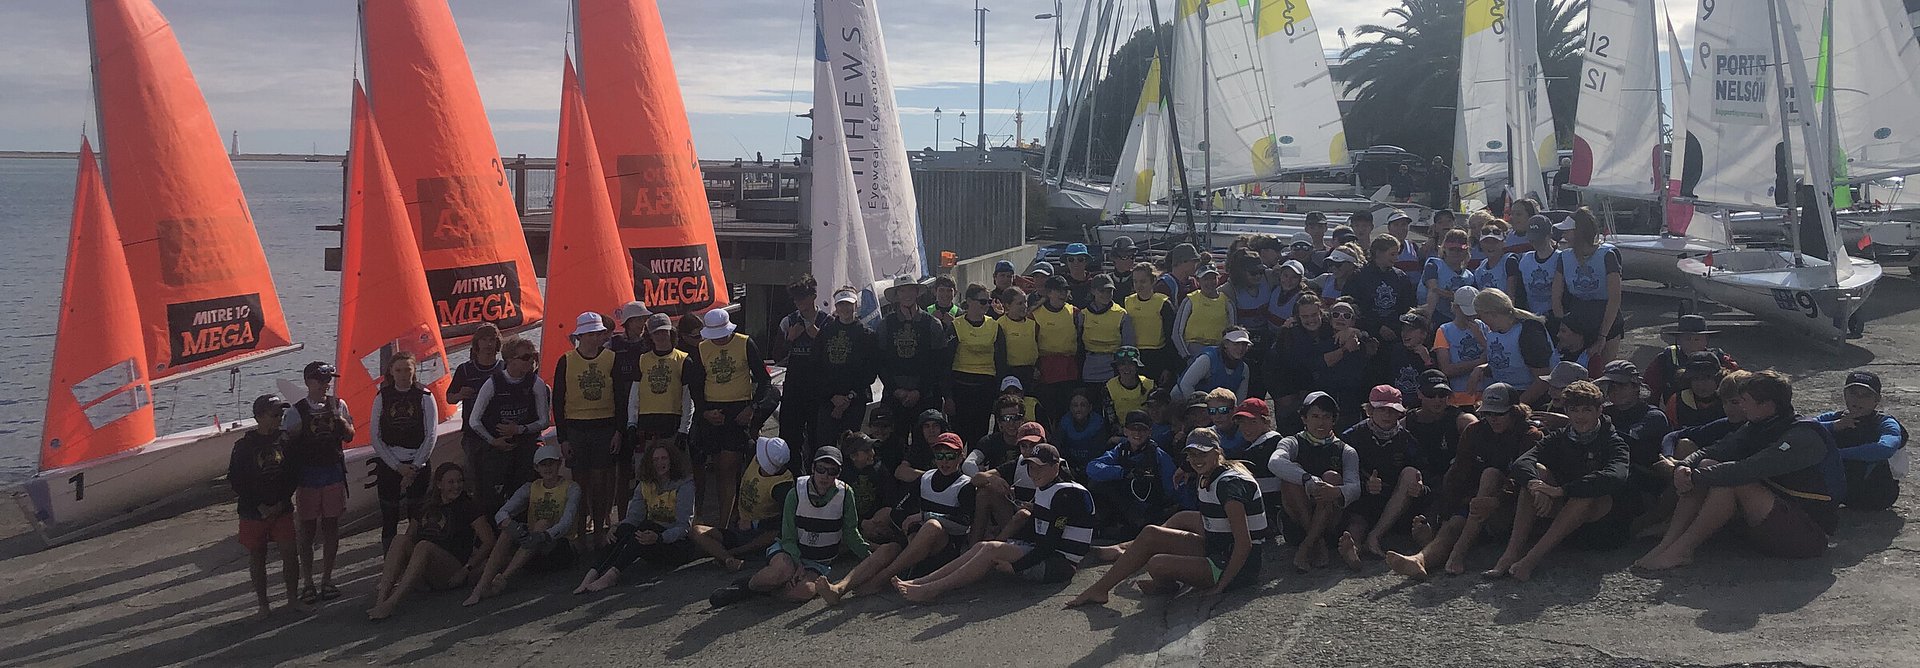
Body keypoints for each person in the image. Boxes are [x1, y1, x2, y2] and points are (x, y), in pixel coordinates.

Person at [1637, 371, 1841, 569]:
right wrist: (1684, 466)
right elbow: (1717, 449)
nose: (1741, 406)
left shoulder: (1803, 436)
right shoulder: (1757, 425)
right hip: (1769, 513)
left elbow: (1749, 469)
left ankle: (1682, 549)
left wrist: (1691, 477)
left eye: (1745, 400)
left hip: (1808, 532)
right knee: (1708, 463)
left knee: (1731, 480)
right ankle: (1668, 543)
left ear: (1767, 405)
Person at [1066, 430, 1266, 607]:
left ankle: (1167, 580)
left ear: (1217, 452)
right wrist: (1185, 468)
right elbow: (1196, 464)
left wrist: (1221, 586)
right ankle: (1101, 589)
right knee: (1151, 533)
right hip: (1218, 547)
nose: (1196, 459)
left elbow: (1244, 543)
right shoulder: (1209, 471)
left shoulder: (1228, 485)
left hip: (1237, 566)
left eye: (1203, 453)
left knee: (1157, 564)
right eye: (1192, 454)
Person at [897, 444, 1095, 603]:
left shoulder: (1067, 493)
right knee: (982, 546)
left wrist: (1016, 566)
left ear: (1056, 466)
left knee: (991, 549)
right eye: (1031, 467)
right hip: (1048, 554)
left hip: (1060, 564)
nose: (1034, 472)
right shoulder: (1047, 487)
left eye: (1040, 467)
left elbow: (1049, 544)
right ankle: (922, 581)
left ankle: (931, 590)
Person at [1384, 383, 1543, 579]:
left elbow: (1523, 478)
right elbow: (1458, 474)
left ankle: (1459, 551)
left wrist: (1497, 500)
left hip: (1511, 508)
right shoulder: (1474, 432)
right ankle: (1420, 559)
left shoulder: (1529, 435)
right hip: (1476, 503)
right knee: (1454, 523)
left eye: (1499, 413)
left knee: (1490, 475)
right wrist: (1446, 512)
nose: (1493, 418)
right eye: (1488, 413)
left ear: (1514, 411)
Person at [1485, 381, 1632, 581]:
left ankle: (1530, 561)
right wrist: (1536, 487)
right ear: (1566, 412)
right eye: (1574, 410)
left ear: (1599, 411)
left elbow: (1617, 476)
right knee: (1536, 473)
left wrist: (1563, 490)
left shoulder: (1613, 442)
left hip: (1602, 526)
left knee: (1586, 493)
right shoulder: (1559, 437)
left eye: (1587, 410)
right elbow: (1522, 462)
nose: (1580, 416)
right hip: (1562, 520)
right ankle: (1510, 554)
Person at [821, 434, 975, 603]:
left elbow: (964, 524)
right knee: (888, 548)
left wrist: (925, 516)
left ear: (960, 457)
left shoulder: (965, 485)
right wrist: (911, 532)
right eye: (939, 456)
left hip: (944, 550)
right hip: (915, 541)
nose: (944, 461)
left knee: (932, 526)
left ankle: (880, 580)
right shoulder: (925, 478)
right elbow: (898, 510)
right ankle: (839, 588)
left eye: (950, 456)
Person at [367, 463, 493, 620]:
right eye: (451, 482)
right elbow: (409, 536)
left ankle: (392, 603)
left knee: (424, 546)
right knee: (400, 539)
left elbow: (488, 541)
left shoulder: (468, 506)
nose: (456, 486)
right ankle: (381, 600)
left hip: (450, 568)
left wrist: (466, 569)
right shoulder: (425, 505)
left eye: (460, 481)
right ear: (439, 484)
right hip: (422, 567)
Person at [748, 446, 871, 602]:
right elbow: (788, 535)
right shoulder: (796, 492)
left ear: (838, 473)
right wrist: (797, 562)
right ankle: (747, 587)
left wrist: (869, 558)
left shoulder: (846, 494)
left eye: (832, 471)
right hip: (789, 550)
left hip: (818, 561)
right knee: (781, 572)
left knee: (805, 591)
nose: (825, 476)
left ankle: (773, 593)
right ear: (813, 468)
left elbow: (850, 533)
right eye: (821, 469)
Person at [465, 443, 582, 605]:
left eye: (551, 463)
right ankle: (480, 587)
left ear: (559, 463)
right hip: (532, 547)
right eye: (543, 464)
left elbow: (566, 522)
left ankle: (502, 579)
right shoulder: (530, 488)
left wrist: (543, 535)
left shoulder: (571, 488)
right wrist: (514, 528)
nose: (548, 468)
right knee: (507, 530)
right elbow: (502, 513)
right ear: (536, 467)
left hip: (560, 548)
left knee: (542, 524)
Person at [687, 308, 773, 522]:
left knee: (728, 466)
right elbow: (696, 385)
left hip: (739, 410)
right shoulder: (702, 348)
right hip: (712, 411)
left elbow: (764, 380)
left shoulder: (745, 343)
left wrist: (752, 408)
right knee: (719, 468)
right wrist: (705, 411)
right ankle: (727, 515)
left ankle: (724, 522)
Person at [578, 441, 698, 593]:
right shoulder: (644, 485)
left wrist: (660, 538)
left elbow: (684, 526)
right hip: (650, 538)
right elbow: (634, 517)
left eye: (664, 458)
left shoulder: (685, 485)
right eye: (655, 460)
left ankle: (612, 575)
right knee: (623, 530)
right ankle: (594, 572)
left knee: (645, 528)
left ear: (672, 460)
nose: (660, 463)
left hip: (676, 542)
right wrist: (617, 527)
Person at [551, 311, 626, 543]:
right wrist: (563, 438)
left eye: (597, 333)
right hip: (576, 429)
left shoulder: (611, 358)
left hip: (605, 426)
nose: (595, 338)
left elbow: (620, 397)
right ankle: (581, 531)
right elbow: (558, 400)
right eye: (590, 334)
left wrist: (619, 431)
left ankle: (600, 528)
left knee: (600, 482)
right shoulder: (566, 361)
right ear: (580, 336)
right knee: (580, 484)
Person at [230, 394, 306, 619]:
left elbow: (293, 473)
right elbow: (236, 480)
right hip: (253, 511)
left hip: (281, 507)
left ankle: (293, 600)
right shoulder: (244, 446)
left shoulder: (285, 441)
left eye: (281, 414)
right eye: (274, 414)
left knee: (290, 552)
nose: (279, 418)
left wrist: (282, 501)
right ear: (259, 417)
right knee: (257, 555)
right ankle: (263, 605)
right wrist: (259, 505)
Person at [284, 361, 354, 605]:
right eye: (321, 379)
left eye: (328, 379)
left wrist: (339, 419)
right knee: (307, 530)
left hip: (332, 473)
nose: (326, 384)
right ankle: (308, 583)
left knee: (331, 527)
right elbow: (286, 444)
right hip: (308, 476)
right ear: (308, 382)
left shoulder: (339, 404)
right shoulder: (296, 411)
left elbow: (350, 435)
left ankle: (327, 579)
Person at [1268, 392, 1361, 572]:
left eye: (1326, 417)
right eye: (1315, 416)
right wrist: (1307, 480)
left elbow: (1355, 487)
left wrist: (1335, 491)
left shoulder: (1346, 450)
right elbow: (1274, 462)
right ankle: (1316, 542)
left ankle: (1307, 546)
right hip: (1297, 520)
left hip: (1331, 522)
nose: (1321, 422)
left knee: (1332, 478)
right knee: (1290, 476)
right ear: (1304, 418)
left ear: (1333, 420)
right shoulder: (1292, 442)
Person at [1340, 386, 1426, 563]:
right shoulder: (1351, 437)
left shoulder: (1407, 440)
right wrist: (1365, 485)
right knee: (1357, 523)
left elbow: (1423, 471)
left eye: (1392, 410)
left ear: (1400, 413)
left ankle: (1375, 537)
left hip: (1395, 503)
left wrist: (1419, 487)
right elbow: (1341, 473)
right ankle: (1352, 549)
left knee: (1411, 473)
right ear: (1370, 410)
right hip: (1361, 501)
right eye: (1382, 409)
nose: (1387, 415)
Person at [469, 337, 552, 513]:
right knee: (493, 495)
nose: (531, 361)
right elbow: (474, 420)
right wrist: (493, 441)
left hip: (525, 444)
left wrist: (520, 429)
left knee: (525, 488)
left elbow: (544, 421)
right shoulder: (493, 383)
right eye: (525, 357)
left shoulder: (536, 383)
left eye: (533, 356)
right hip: (498, 446)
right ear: (510, 360)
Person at [366, 352, 440, 552]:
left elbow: (431, 434)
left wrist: (414, 467)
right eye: (398, 370)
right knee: (389, 517)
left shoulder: (425, 396)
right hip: (390, 463)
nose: (403, 374)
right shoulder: (382, 397)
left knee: (417, 516)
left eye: (407, 369)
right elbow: (375, 435)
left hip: (418, 462)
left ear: (414, 370)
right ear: (391, 371)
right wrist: (398, 467)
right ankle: (390, 558)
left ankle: (415, 557)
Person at [689, 437, 795, 572]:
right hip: (738, 528)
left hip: (759, 534)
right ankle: (729, 558)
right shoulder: (755, 460)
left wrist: (754, 524)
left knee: (774, 534)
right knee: (697, 531)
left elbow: (784, 521)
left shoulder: (783, 487)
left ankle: (733, 553)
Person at [1817, 371, 1907, 511]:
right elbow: (1800, 429)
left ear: (1877, 400)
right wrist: (1834, 426)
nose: (1858, 399)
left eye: (1866, 395)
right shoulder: (1834, 417)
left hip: (1874, 495)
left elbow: (1885, 448)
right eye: (1853, 393)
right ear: (1845, 395)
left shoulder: (1886, 422)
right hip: (1836, 491)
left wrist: (1838, 454)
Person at [1551, 209, 1625, 368]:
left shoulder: (1607, 255)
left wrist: (1602, 336)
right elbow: (1556, 297)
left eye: (1567, 231)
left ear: (1579, 232)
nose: (1563, 235)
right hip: (1577, 319)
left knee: (1605, 369)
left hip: (1606, 317)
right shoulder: (1564, 257)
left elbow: (1614, 299)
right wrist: (1565, 328)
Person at [1087, 410, 1179, 537]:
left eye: (1142, 429)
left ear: (1150, 432)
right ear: (1125, 431)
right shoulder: (1120, 450)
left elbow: (1174, 487)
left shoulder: (1158, 456)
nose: (1137, 433)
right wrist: (1124, 472)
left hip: (1149, 511)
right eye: (1133, 429)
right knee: (1095, 484)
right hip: (1124, 509)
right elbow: (1092, 467)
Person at [775, 277, 830, 457]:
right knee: (789, 438)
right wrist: (790, 339)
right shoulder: (788, 321)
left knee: (817, 438)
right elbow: (777, 357)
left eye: (802, 297)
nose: (798, 302)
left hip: (819, 389)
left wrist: (819, 339)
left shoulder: (827, 321)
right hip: (794, 388)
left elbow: (834, 359)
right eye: (795, 298)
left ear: (813, 296)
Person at [967, 421, 1051, 541]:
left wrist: (1035, 508)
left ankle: (993, 545)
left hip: (1044, 523)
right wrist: (992, 479)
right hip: (1016, 520)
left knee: (1023, 515)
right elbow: (976, 479)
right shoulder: (1018, 463)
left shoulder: (1055, 465)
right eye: (1024, 446)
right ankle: (975, 544)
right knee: (985, 491)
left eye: (1033, 446)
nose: (1028, 451)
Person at [608, 301, 655, 512]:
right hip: (619, 409)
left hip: (644, 410)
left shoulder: (649, 344)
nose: (642, 323)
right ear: (627, 322)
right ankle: (621, 515)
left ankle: (645, 512)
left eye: (644, 319)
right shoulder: (613, 345)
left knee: (646, 467)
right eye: (638, 320)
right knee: (623, 468)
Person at [1473, 288, 1556, 405]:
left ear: (1491, 313)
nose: (1480, 320)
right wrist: (1481, 369)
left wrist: (1516, 407)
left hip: (1533, 400)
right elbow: (1506, 364)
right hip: (1504, 396)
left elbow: (1543, 379)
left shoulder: (1529, 332)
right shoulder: (1494, 333)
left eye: (1480, 315)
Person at [453, 322, 505, 503]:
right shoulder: (464, 369)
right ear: (477, 343)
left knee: (497, 480)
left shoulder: (503, 367)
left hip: (498, 433)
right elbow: (450, 398)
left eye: (492, 340)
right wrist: (460, 394)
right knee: (473, 480)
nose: (488, 344)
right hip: (472, 435)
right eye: (484, 340)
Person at [950, 283, 1006, 445]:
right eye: (982, 302)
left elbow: (1001, 362)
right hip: (961, 388)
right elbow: (946, 362)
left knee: (980, 435)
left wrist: (998, 393)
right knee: (958, 436)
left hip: (985, 389)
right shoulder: (956, 325)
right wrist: (948, 395)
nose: (986, 305)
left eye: (988, 301)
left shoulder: (994, 326)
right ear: (969, 301)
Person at [1644, 314, 1740, 401]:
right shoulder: (1665, 359)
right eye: (1688, 339)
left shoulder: (1721, 358)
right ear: (1679, 340)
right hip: (1677, 410)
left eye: (1697, 339)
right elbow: (1649, 390)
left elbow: (1738, 384)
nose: (1692, 343)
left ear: (1706, 340)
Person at [1347, 234, 1420, 342]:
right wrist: (1377, 327)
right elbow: (1353, 306)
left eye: (1397, 254)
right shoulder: (1358, 276)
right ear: (1378, 253)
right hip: (1365, 335)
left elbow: (1409, 306)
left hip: (1395, 335)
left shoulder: (1400, 277)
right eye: (1392, 254)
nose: (1396, 258)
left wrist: (1397, 327)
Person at [1317, 301, 1378, 427]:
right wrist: (1345, 348)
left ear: (1353, 321)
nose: (1341, 318)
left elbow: (1373, 346)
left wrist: (1357, 333)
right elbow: (1323, 362)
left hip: (1353, 403)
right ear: (1330, 319)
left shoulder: (1362, 340)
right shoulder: (1321, 340)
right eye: (1336, 314)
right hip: (1325, 402)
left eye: (1346, 316)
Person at [1033, 275, 1082, 425]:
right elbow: (1031, 342)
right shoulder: (1036, 314)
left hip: (1069, 368)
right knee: (1050, 411)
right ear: (1049, 293)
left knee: (1067, 410)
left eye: (1065, 290)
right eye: (1059, 290)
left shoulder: (1074, 312)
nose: (1063, 294)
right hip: (1047, 369)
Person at [1432, 287, 1490, 405]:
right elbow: (1446, 369)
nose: (1471, 316)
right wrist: (1478, 363)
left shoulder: (1484, 326)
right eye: (1467, 312)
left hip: (1485, 392)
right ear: (1455, 307)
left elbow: (1495, 355)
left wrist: (1482, 339)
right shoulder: (1444, 330)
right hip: (1459, 395)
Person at [1124, 263, 1179, 386]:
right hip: (1134, 356)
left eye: (1143, 281)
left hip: (1158, 356)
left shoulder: (1163, 303)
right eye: (1135, 281)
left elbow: (1171, 337)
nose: (1139, 285)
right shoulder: (1128, 302)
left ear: (1153, 281)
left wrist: (1168, 367)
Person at [1173, 266, 1234, 362]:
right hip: (1193, 351)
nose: (1210, 282)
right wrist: (1186, 356)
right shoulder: (1190, 300)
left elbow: (1232, 333)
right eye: (1206, 279)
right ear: (1198, 281)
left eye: (1213, 278)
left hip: (1218, 351)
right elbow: (1177, 333)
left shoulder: (1227, 302)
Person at [1175, 327, 1254, 399]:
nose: (1241, 348)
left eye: (1244, 344)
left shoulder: (1244, 369)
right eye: (1236, 344)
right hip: (1183, 401)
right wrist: (1198, 406)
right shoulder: (1207, 359)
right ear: (1225, 344)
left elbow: (1240, 399)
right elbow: (1185, 385)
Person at [1421, 229, 1478, 325]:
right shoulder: (1434, 265)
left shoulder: (1470, 277)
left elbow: (1473, 302)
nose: (1456, 253)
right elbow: (1433, 291)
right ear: (1444, 249)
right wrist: (1427, 321)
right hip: (1433, 316)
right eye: (1452, 249)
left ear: (1466, 251)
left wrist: (1445, 293)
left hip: (1460, 321)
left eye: (1460, 250)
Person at [1664, 351, 1728, 428]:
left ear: (1719, 378)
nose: (1701, 384)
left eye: (1707, 378)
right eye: (1695, 378)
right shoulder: (1676, 401)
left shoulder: (1730, 399)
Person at [1512, 215, 1560, 315]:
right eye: (1532, 239)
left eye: (1539, 239)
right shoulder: (1525, 260)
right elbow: (1520, 293)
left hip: (1554, 315)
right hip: (1531, 315)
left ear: (1549, 235)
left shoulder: (1560, 258)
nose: (1535, 242)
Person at [1055, 389, 1112, 467]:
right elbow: (1058, 446)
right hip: (1070, 465)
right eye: (1075, 405)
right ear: (1070, 408)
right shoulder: (1064, 423)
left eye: (1083, 405)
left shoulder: (1098, 424)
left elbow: (1100, 452)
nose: (1079, 409)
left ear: (1090, 407)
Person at [1104, 347, 1155, 426]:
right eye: (1122, 364)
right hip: (1121, 430)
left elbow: (1156, 414)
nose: (1126, 367)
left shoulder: (1150, 385)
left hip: (1147, 428)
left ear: (1137, 366)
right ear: (1117, 367)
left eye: (1131, 364)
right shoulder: (1109, 388)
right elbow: (1111, 419)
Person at [1061, 243, 1098, 307]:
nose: (1076, 263)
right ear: (1066, 262)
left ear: (1086, 262)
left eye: (1080, 259)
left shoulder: (1094, 282)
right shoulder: (1061, 283)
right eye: (1071, 259)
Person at [1108, 236, 1139, 301]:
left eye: (1133, 256)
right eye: (1125, 257)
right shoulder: (1107, 280)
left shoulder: (1138, 280)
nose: (1131, 260)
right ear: (1114, 258)